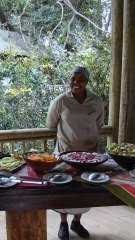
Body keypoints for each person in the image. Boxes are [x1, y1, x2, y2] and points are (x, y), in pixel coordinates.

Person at [46, 66, 104, 240]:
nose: (76, 82)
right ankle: (63, 223)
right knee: (64, 189)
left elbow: (99, 123)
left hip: (90, 154)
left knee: (84, 190)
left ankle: (76, 222)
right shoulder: (61, 101)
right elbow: (51, 124)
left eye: (81, 79)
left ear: (87, 82)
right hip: (65, 153)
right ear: (69, 80)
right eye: (73, 79)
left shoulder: (96, 100)